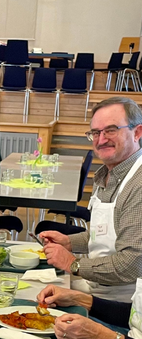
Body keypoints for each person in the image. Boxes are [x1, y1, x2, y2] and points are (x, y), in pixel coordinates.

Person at [40, 97, 142, 302]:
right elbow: (105, 236)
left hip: (125, 305)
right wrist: (70, 242)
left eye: (111, 130)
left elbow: (132, 264)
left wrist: (73, 264)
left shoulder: (137, 184)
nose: (101, 139)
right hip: (99, 289)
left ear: (137, 132)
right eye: (96, 132)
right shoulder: (106, 173)